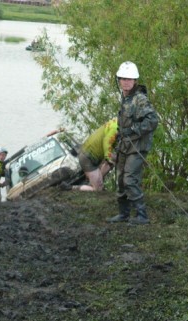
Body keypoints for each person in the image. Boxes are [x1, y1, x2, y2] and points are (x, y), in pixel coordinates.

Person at [107, 61, 159, 225]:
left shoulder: (139, 99)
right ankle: (124, 213)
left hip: (137, 146)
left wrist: (133, 130)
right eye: (123, 79)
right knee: (121, 179)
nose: (126, 82)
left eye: (129, 79)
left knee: (130, 179)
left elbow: (152, 121)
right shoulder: (126, 98)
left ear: (135, 80)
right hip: (125, 145)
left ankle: (142, 215)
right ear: (119, 80)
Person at [60, 119, 118, 191]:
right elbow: (107, 143)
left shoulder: (116, 122)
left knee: (114, 159)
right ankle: (70, 188)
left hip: (91, 155)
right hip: (87, 158)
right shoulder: (115, 128)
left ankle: (96, 180)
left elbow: (113, 145)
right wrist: (109, 157)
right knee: (97, 189)